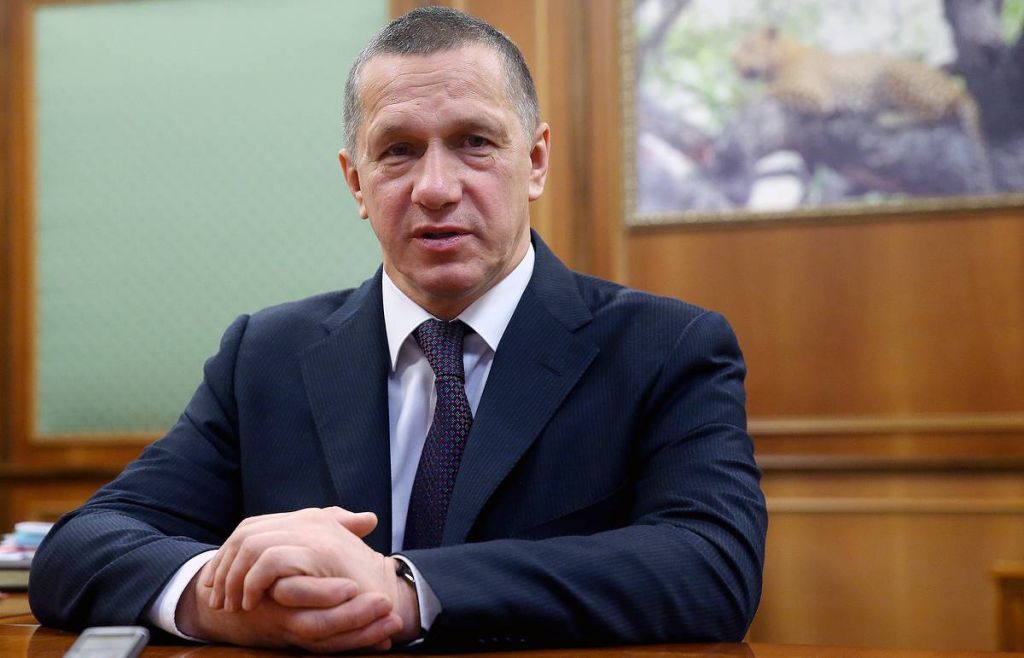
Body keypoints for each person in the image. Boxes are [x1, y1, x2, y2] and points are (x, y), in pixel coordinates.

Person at [30, 7, 767, 652]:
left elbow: (711, 567)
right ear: (357, 181)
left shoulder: (667, 348)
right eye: (398, 151)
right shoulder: (265, 357)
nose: (436, 188)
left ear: (535, 160)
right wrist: (221, 603)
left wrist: (406, 590)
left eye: (475, 142)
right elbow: (80, 548)